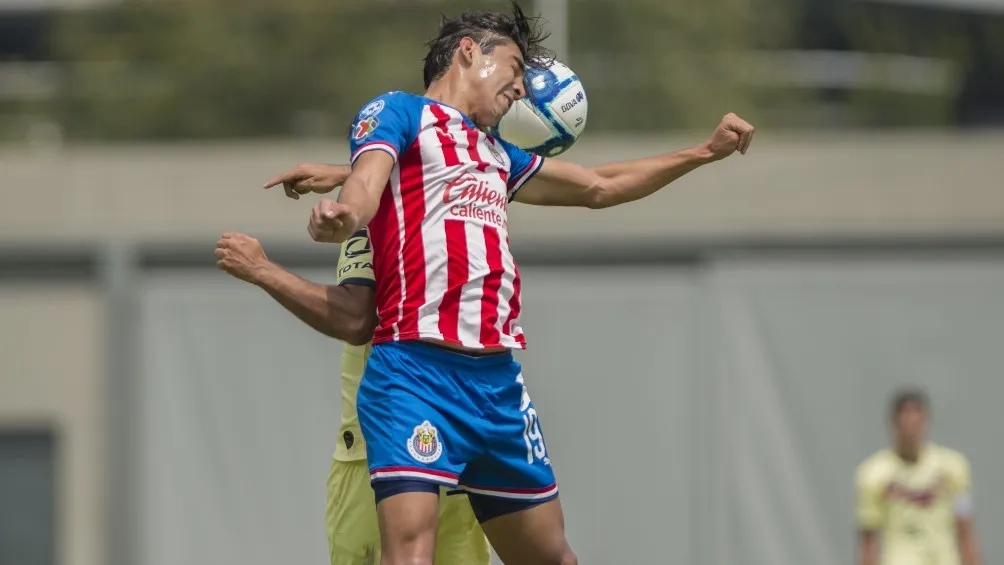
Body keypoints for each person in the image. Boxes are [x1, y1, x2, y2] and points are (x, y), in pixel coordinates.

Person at [264, 3, 754, 563]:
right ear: (469, 51)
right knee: (411, 554)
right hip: (414, 371)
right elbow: (367, 185)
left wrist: (703, 152)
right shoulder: (397, 113)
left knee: (553, 557)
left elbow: (599, 184)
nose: (521, 90)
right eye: (516, 70)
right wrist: (344, 214)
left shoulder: (498, 155)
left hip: (497, 382)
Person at [214, 206, 491, 564]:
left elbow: (356, 317)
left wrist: (261, 269)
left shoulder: (376, 215)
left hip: (381, 451)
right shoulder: (473, 204)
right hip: (460, 446)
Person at [856, 387, 982, 565]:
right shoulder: (874, 474)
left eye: (917, 423)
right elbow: (869, 540)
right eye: (906, 424)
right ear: (894, 424)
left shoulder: (953, 467)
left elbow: (965, 529)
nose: (912, 431)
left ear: (926, 422)